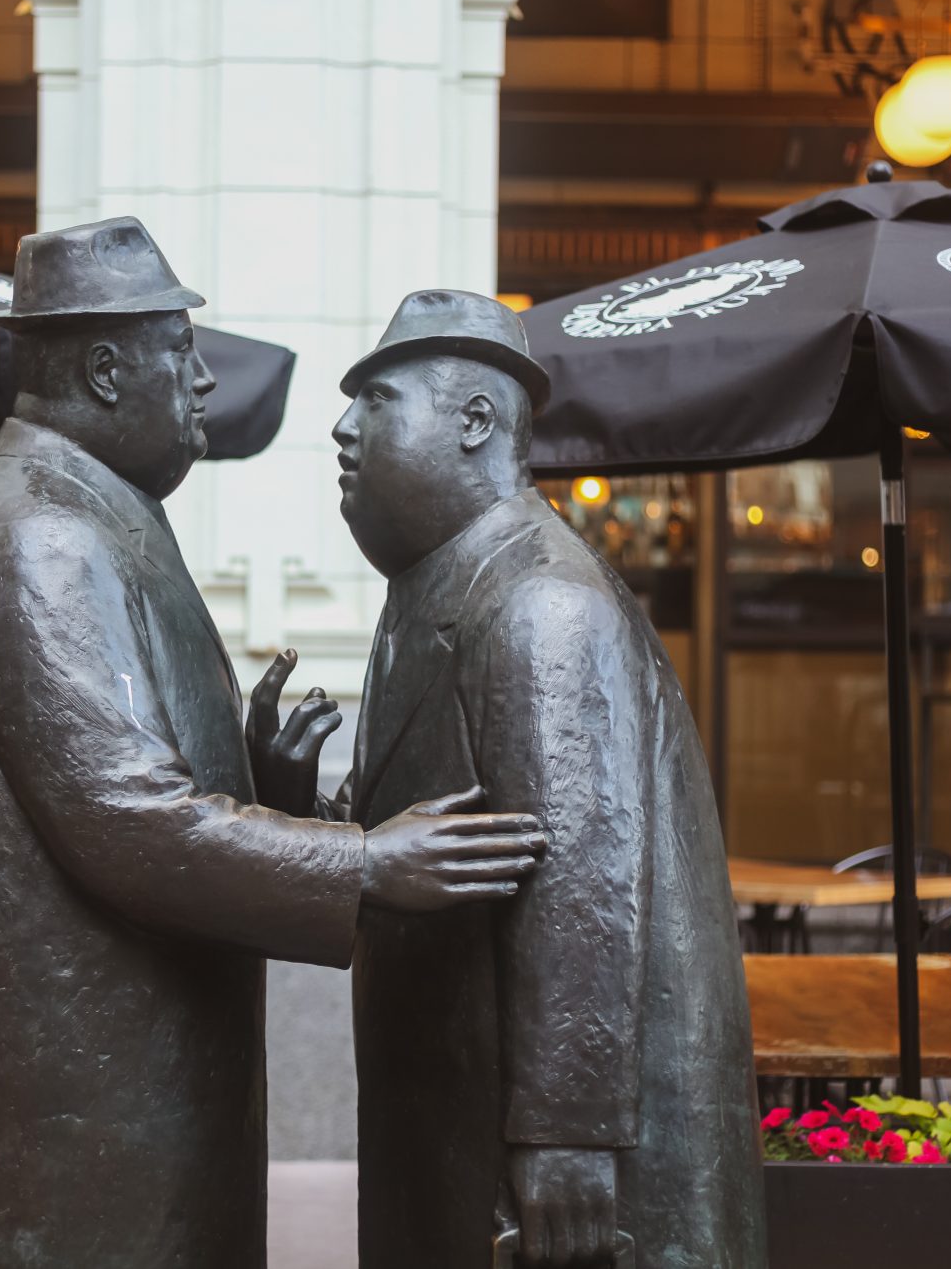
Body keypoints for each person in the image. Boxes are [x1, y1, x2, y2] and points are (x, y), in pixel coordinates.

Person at [0, 223, 546, 1268]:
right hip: (63, 1131)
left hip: (124, 1104)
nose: (202, 381)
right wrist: (366, 862)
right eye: (181, 352)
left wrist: (259, 784)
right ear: (104, 370)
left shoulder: (94, 510)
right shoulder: (39, 534)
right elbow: (126, 820)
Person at [319, 289, 767, 1269]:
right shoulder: (436, 588)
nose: (343, 428)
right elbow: (440, 831)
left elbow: (580, 880)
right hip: (456, 1101)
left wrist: (566, 1129)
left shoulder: (540, 603)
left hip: (542, 1156)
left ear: (474, 420)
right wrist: (305, 810)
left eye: (378, 400)